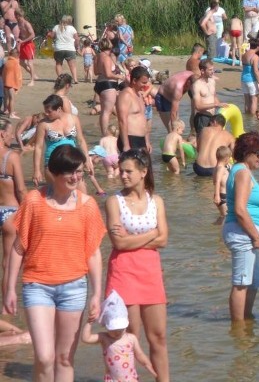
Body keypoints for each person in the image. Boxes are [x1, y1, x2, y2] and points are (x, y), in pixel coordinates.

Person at [4, 145, 106, 381]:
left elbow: (93, 253)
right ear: (54, 172)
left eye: (79, 171)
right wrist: (9, 288)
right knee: (44, 357)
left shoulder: (87, 205)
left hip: (74, 288)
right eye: (69, 171)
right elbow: (19, 248)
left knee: (64, 359)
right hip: (37, 286)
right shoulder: (33, 201)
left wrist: (96, 294)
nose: (75, 177)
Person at [104, 149, 169, 381]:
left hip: (150, 272)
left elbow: (164, 239)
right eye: (121, 171)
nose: (122, 175)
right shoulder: (114, 201)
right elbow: (118, 243)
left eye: (128, 171)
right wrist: (152, 233)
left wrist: (135, 239)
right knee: (129, 336)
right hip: (123, 272)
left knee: (158, 336)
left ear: (143, 172)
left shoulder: (156, 201)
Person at [222, 131, 259, 323]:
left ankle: (248, 320)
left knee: (254, 281)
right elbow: (240, 209)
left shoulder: (243, 171)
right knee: (241, 283)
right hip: (243, 235)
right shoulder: (242, 172)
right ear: (248, 152)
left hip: (244, 234)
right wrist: (255, 237)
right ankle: (238, 328)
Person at [81, 290, 157, 381]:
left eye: (120, 330)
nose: (117, 332)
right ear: (107, 326)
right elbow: (86, 338)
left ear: (126, 325)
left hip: (130, 378)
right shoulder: (104, 338)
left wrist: (148, 365)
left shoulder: (131, 338)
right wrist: (90, 322)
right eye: (114, 330)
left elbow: (139, 354)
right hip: (112, 379)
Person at [33, 94, 94, 188]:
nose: (46, 114)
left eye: (49, 111)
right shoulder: (43, 124)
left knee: (82, 192)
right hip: (53, 162)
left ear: (59, 109)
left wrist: (87, 160)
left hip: (72, 161)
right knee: (59, 193)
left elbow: (81, 140)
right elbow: (38, 147)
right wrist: (37, 170)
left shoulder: (73, 119)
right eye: (45, 111)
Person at [0, 119, 27, 294]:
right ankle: (6, 308)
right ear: (2, 134)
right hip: (10, 211)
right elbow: (21, 189)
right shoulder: (11, 157)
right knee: (9, 262)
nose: (11, 137)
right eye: (10, 134)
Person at [94, 38, 126, 136]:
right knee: (106, 112)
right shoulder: (106, 58)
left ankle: (104, 133)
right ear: (109, 45)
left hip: (99, 84)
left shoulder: (97, 56)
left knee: (104, 111)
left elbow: (96, 72)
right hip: (108, 85)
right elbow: (108, 74)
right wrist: (119, 76)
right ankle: (105, 135)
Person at [116, 66, 151, 152]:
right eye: (143, 82)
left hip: (141, 140)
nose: (146, 85)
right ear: (134, 81)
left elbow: (143, 119)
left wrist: (147, 141)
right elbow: (122, 121)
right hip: (130, 139)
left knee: (146, 165)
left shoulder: (139, 95)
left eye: (146, 82)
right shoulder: (126, 95)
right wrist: (126, 145)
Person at [51, 15, 80, 83]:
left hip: (59, 48)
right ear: (69, 21)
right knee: (72, 65)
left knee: (58, 64)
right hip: (70, 48)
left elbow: (52, 36)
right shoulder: (72, 28)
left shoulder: (56, 27)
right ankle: (75, 79)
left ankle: (60, 78)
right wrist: (77, 46)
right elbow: (77, 38)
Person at [15, 8, 37, 86]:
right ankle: (33, 74)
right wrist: (19, 38)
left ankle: (32, 81)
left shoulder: (26, 23)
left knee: (30, 62)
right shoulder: (18, 23)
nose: (15, 17)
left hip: (29, 44)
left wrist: (23, 41)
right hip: (23, 43)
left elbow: (33, 35)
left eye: (16, 16)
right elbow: (21, 33)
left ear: (18, 15)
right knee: (21, 62)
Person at [240, 38, 259, 115]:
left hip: (243, 79)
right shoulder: (255, 57)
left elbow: (244, 67)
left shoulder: (244, 55)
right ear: (257, 47)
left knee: (247, 101)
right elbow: (256, 71)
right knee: (254, 100)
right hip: (251, 80)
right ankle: (252, 120)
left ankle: (247, 119)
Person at [213, 145, 232, 225]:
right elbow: (217, 182)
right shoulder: (221, 169)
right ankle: (220, 233)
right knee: (226, 216)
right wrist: (217, 196)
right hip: (221, 196)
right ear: (226, 158)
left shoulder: (219, 167)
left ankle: (214, 226)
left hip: (222, 195)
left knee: (223, 215)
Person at [3, 48, 21, 118]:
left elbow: (3, 73)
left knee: (6, 98)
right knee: (12, 98)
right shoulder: (15, 63)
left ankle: (6, 110)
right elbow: (17, 75)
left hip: (5, 83)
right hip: (11, 83)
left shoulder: (7, 62)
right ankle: (11, 114)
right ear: (17, 55)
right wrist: (17, 85)